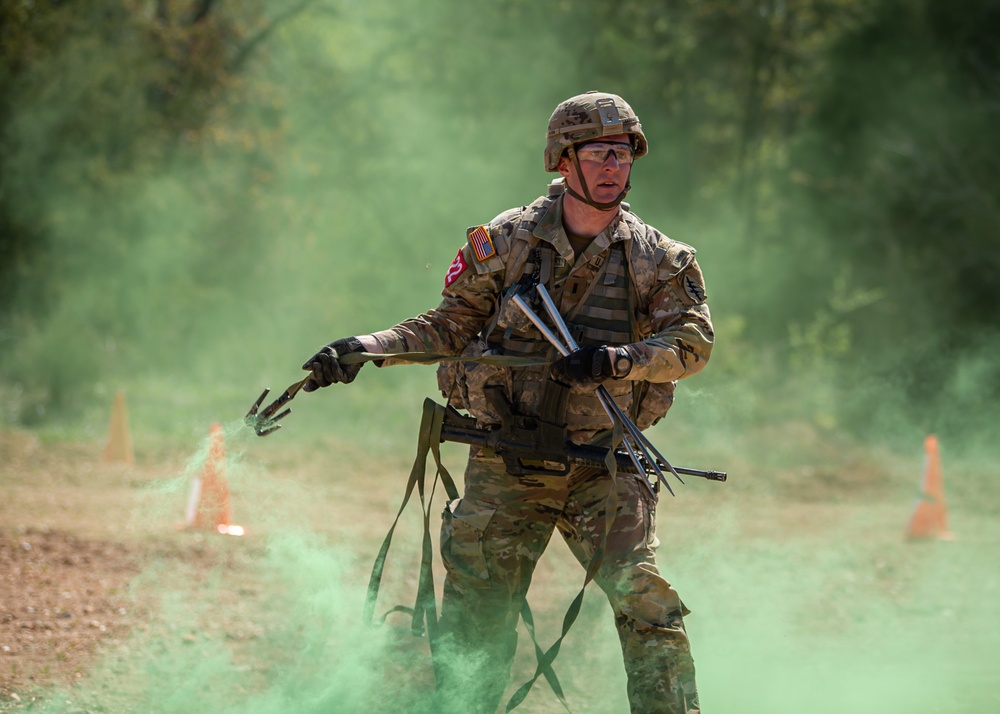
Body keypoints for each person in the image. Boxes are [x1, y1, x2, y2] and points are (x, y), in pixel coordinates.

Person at [302, 91, 714, 714]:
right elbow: (447, 328)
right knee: (474, 629)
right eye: (599, 152)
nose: (614, 166)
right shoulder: (507, 242)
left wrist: (615, 360)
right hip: (506, 462)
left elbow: (692, 343)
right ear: (563, 160)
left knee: (648, 607)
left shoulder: (660, 259)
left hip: (602, 465)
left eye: (624, 153)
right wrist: (366, 348)